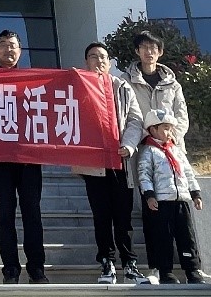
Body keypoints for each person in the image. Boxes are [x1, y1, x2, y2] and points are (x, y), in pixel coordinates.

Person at [71, 41, 146, 284]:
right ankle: (107, 262)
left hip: (120, 161)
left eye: (103, 57)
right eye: (93, 56)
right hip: (94, 164)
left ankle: (130, 263)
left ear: (110, 62)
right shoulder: (78, 86)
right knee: (101, 215)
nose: (99, 61)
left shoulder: (122, 87)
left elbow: (135, 119)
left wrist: (129, 145)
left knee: (123, 217)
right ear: (86, 62)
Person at [0, 29, 48, 284]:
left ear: (20, 51)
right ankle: (10, 269)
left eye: (12, 45)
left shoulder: (31, 80)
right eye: (3, 44)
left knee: (32, 212)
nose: (8, 49)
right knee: (5, 213)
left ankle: (37, 268)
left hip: (29, 156)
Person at [135, 108, 211, 285]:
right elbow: (144, 175)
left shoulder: (176, 150)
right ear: (153, 129)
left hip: (181, 201)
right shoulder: (148, 151)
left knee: (187, 236)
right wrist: (149, 195)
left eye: (170, 128)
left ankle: (193, 270)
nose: (169, 132)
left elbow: (188, 172)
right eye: (165, 128)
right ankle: (164, 271)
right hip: (161, 202)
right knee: (162, 236)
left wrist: (195, 193)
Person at [121, 29, 190, 142]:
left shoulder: (172, 83)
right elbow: (124, 116)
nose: (148, 51)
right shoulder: (125, 81)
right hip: (140, 144)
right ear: (137, 51)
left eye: (153, 47)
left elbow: (181, 115)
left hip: (171, 144)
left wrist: (171, 138)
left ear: (160, 52)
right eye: (144, 47)